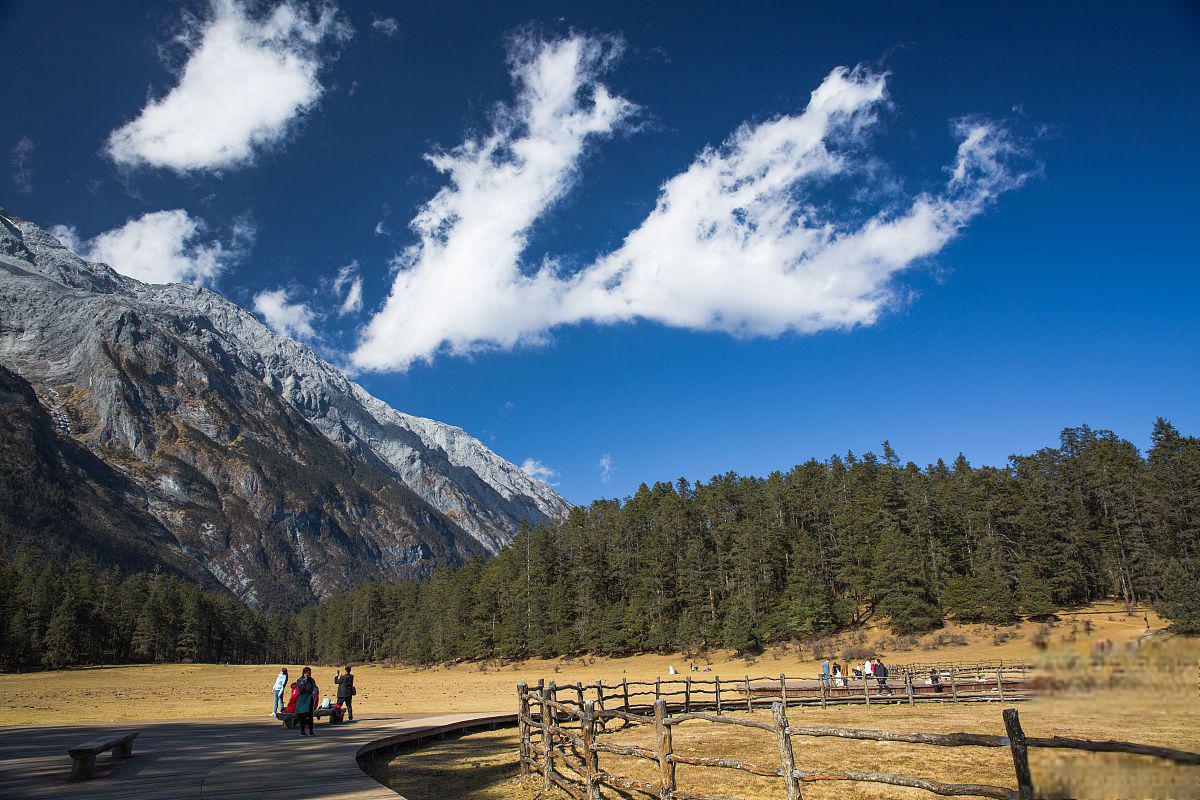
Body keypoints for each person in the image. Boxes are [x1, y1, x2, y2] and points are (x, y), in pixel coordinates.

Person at [294, 667, 319, 736]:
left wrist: (315, 692)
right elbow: (300, 689)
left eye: (310, 672)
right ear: (304, 672)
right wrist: (305, 680)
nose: (309, 674)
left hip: (310, 699)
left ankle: (311, 731)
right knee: (302, 715)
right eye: (308, 672)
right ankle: (302, 731)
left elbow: (315, 687)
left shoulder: (311, 680)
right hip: (302, 699)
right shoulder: (300, 680)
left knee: (310, 715)